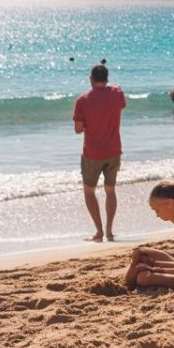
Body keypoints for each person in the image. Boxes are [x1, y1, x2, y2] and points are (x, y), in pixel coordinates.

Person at [73, 64, 126, 242]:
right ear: (107, 78)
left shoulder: (83, 100)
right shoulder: (117, 94)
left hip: (92, 153)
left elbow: (78, 130)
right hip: (113, 150)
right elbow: (119, 100)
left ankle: (99, 231)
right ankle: (109, 230)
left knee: (89, 192)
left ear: (90, 79)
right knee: (110, 190)